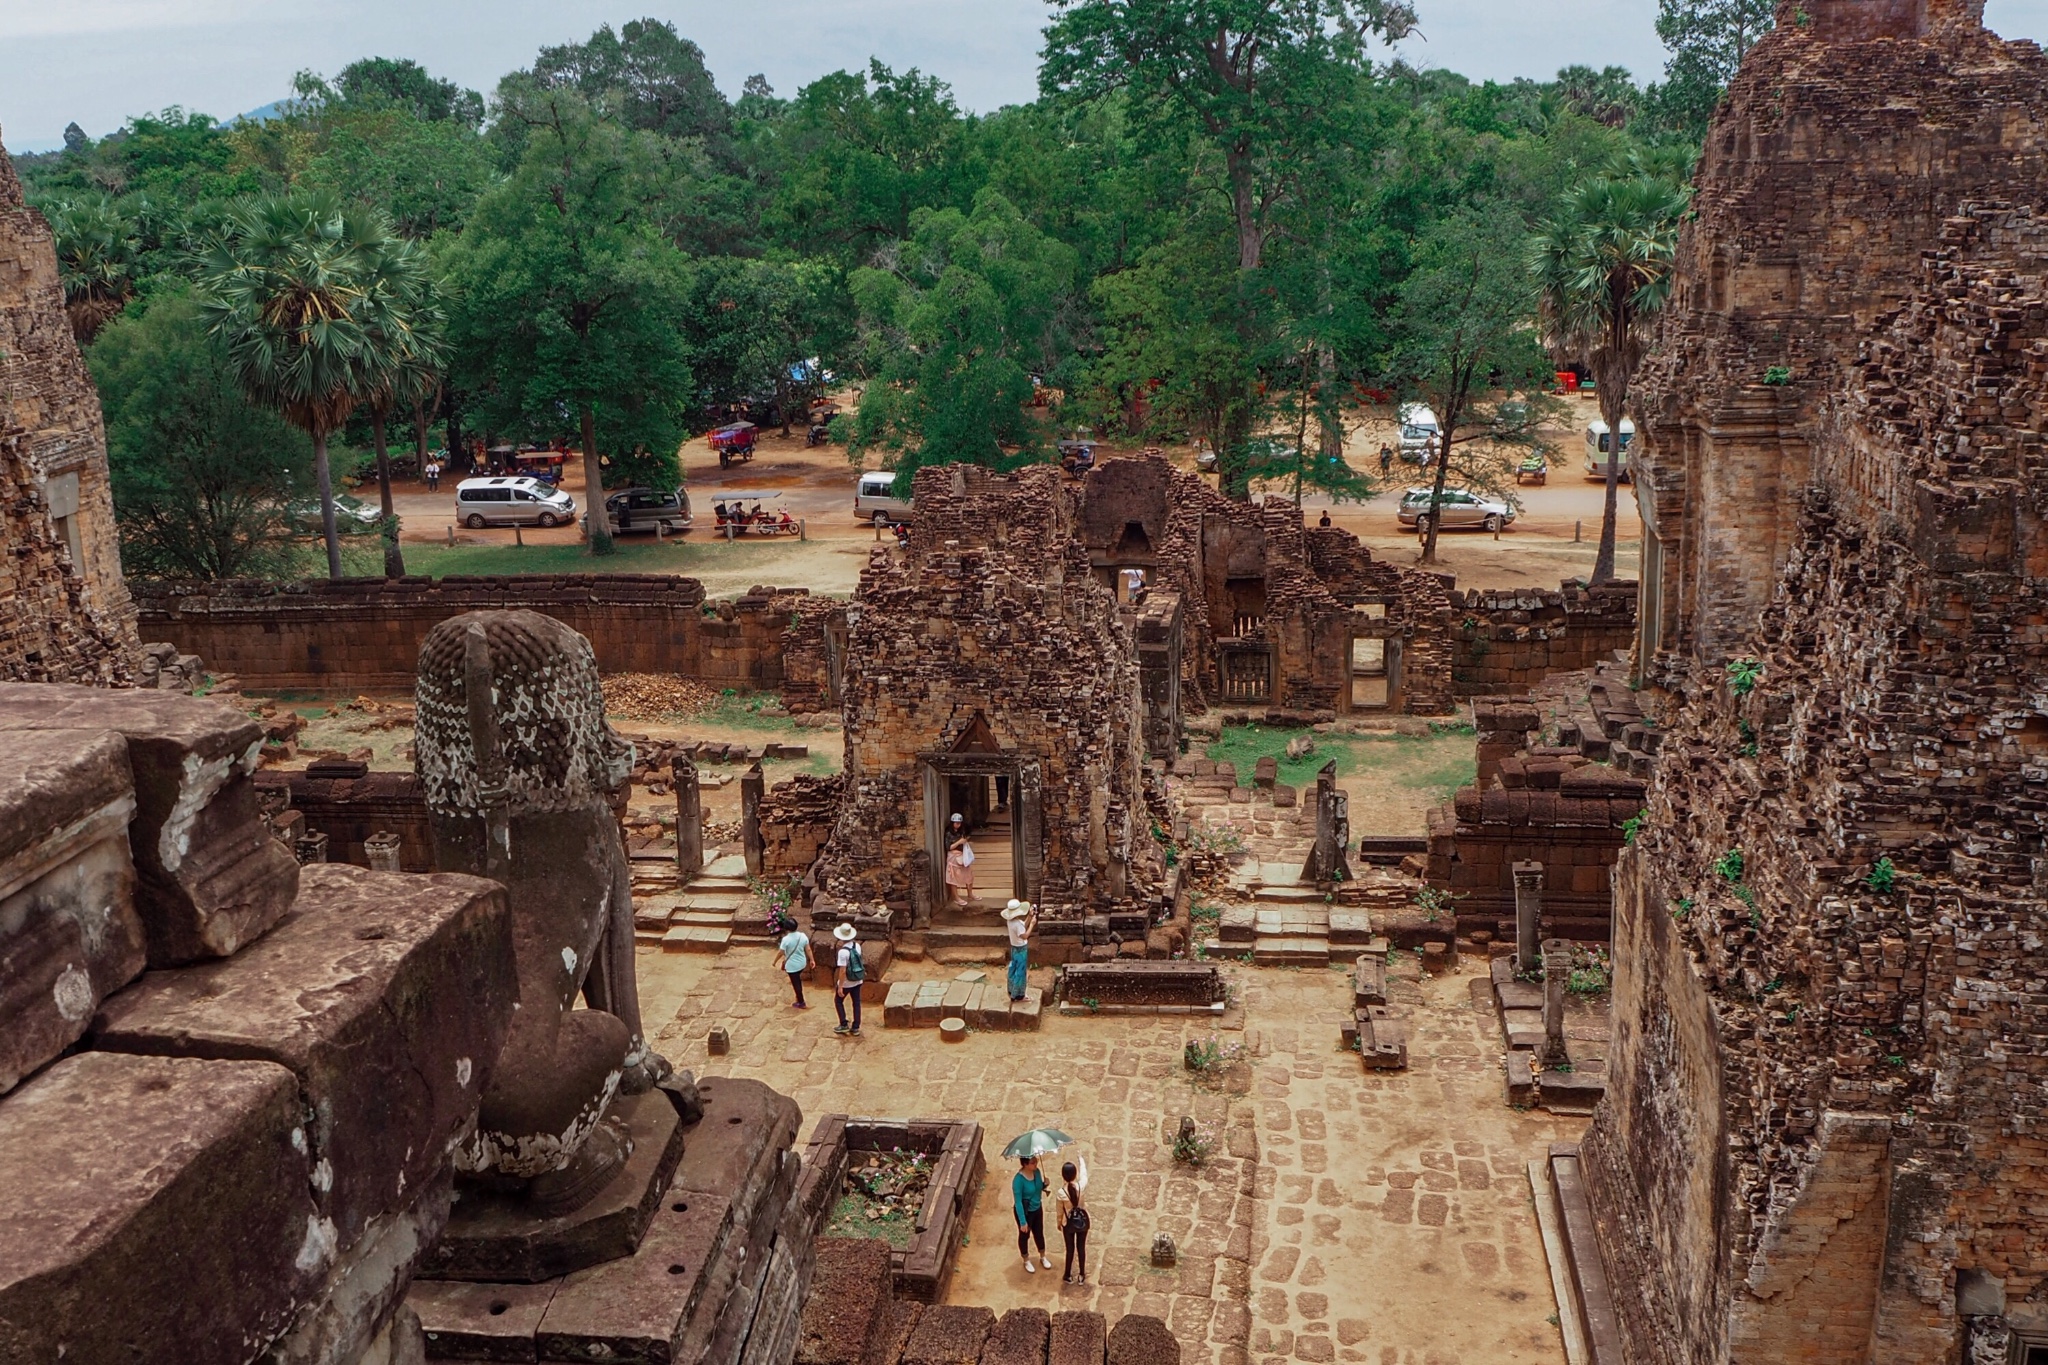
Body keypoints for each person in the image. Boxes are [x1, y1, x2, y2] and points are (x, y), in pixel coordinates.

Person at [1013, 1154, 1051, 1274]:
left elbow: (1038, 1187)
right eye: (1032, 1162)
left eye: (1036, 1161)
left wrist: (1045, 1184)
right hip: (1026, 1211)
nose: (1035, 1164)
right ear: (1025, 1164)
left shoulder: (1037, 1172)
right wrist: (1023, 1221)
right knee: (1024, 1236)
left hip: (1037, 1208)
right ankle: (1026, 1259)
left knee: (1039, 1233)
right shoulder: (1018, 1181)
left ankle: (1042, 1256)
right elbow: (1018, 1202)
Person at [1056, 1155, 1090, 1285]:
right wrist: (1081, 1159)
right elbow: (1085, 1175)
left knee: (1070, 1250)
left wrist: (1059, 1223)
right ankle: (1081, 1274)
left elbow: (1059, 1212)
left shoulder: (1061, 1193)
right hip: (1082, 1222)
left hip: (1068, 1224)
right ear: (1075, 1174)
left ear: (1063, 1176)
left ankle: (1067, 1275)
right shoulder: (1081, 1186)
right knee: (1081, 1248)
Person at [831, 921, 865, 1036]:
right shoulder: (857, 946)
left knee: (838, 1001)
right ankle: (856, 1027)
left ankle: (844, 1024)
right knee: (856, 1003)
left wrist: (840, 986)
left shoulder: (843, 952)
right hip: (857, 979)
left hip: (847, 982)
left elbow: (842, 970)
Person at [1001, 899, 1037, 1002]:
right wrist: (1032, 925)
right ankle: (1019, 995)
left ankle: (1011, 990)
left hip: (1014, 948)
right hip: (1021, 950)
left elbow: (1022, 926)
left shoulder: (1011, 921)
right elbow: (1025, 935)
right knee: (1020, 972)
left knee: (1013, 969)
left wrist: (1029, 917)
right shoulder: (1016, 924)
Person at [775, 915, 810, 1009]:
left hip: (792, 966)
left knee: (796, 984)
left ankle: (801, 1002)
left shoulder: (786, 940)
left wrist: (775, 961)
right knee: (797, 979)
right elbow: (808, 949)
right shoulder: (802, 936)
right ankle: (799, 998)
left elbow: (781, 952)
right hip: (802, 963)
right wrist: (812, 960)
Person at [944, 812, 976, 905]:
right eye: (956, 823)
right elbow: (948, 847)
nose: (958, 825)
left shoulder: (961, 831)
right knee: (953, 877)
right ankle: (956, 897)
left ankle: (970, 893)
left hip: (962, 855)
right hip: (953, 856)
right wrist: (959, 842)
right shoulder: (949, 833)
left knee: (969, 874)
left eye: (959, 823)